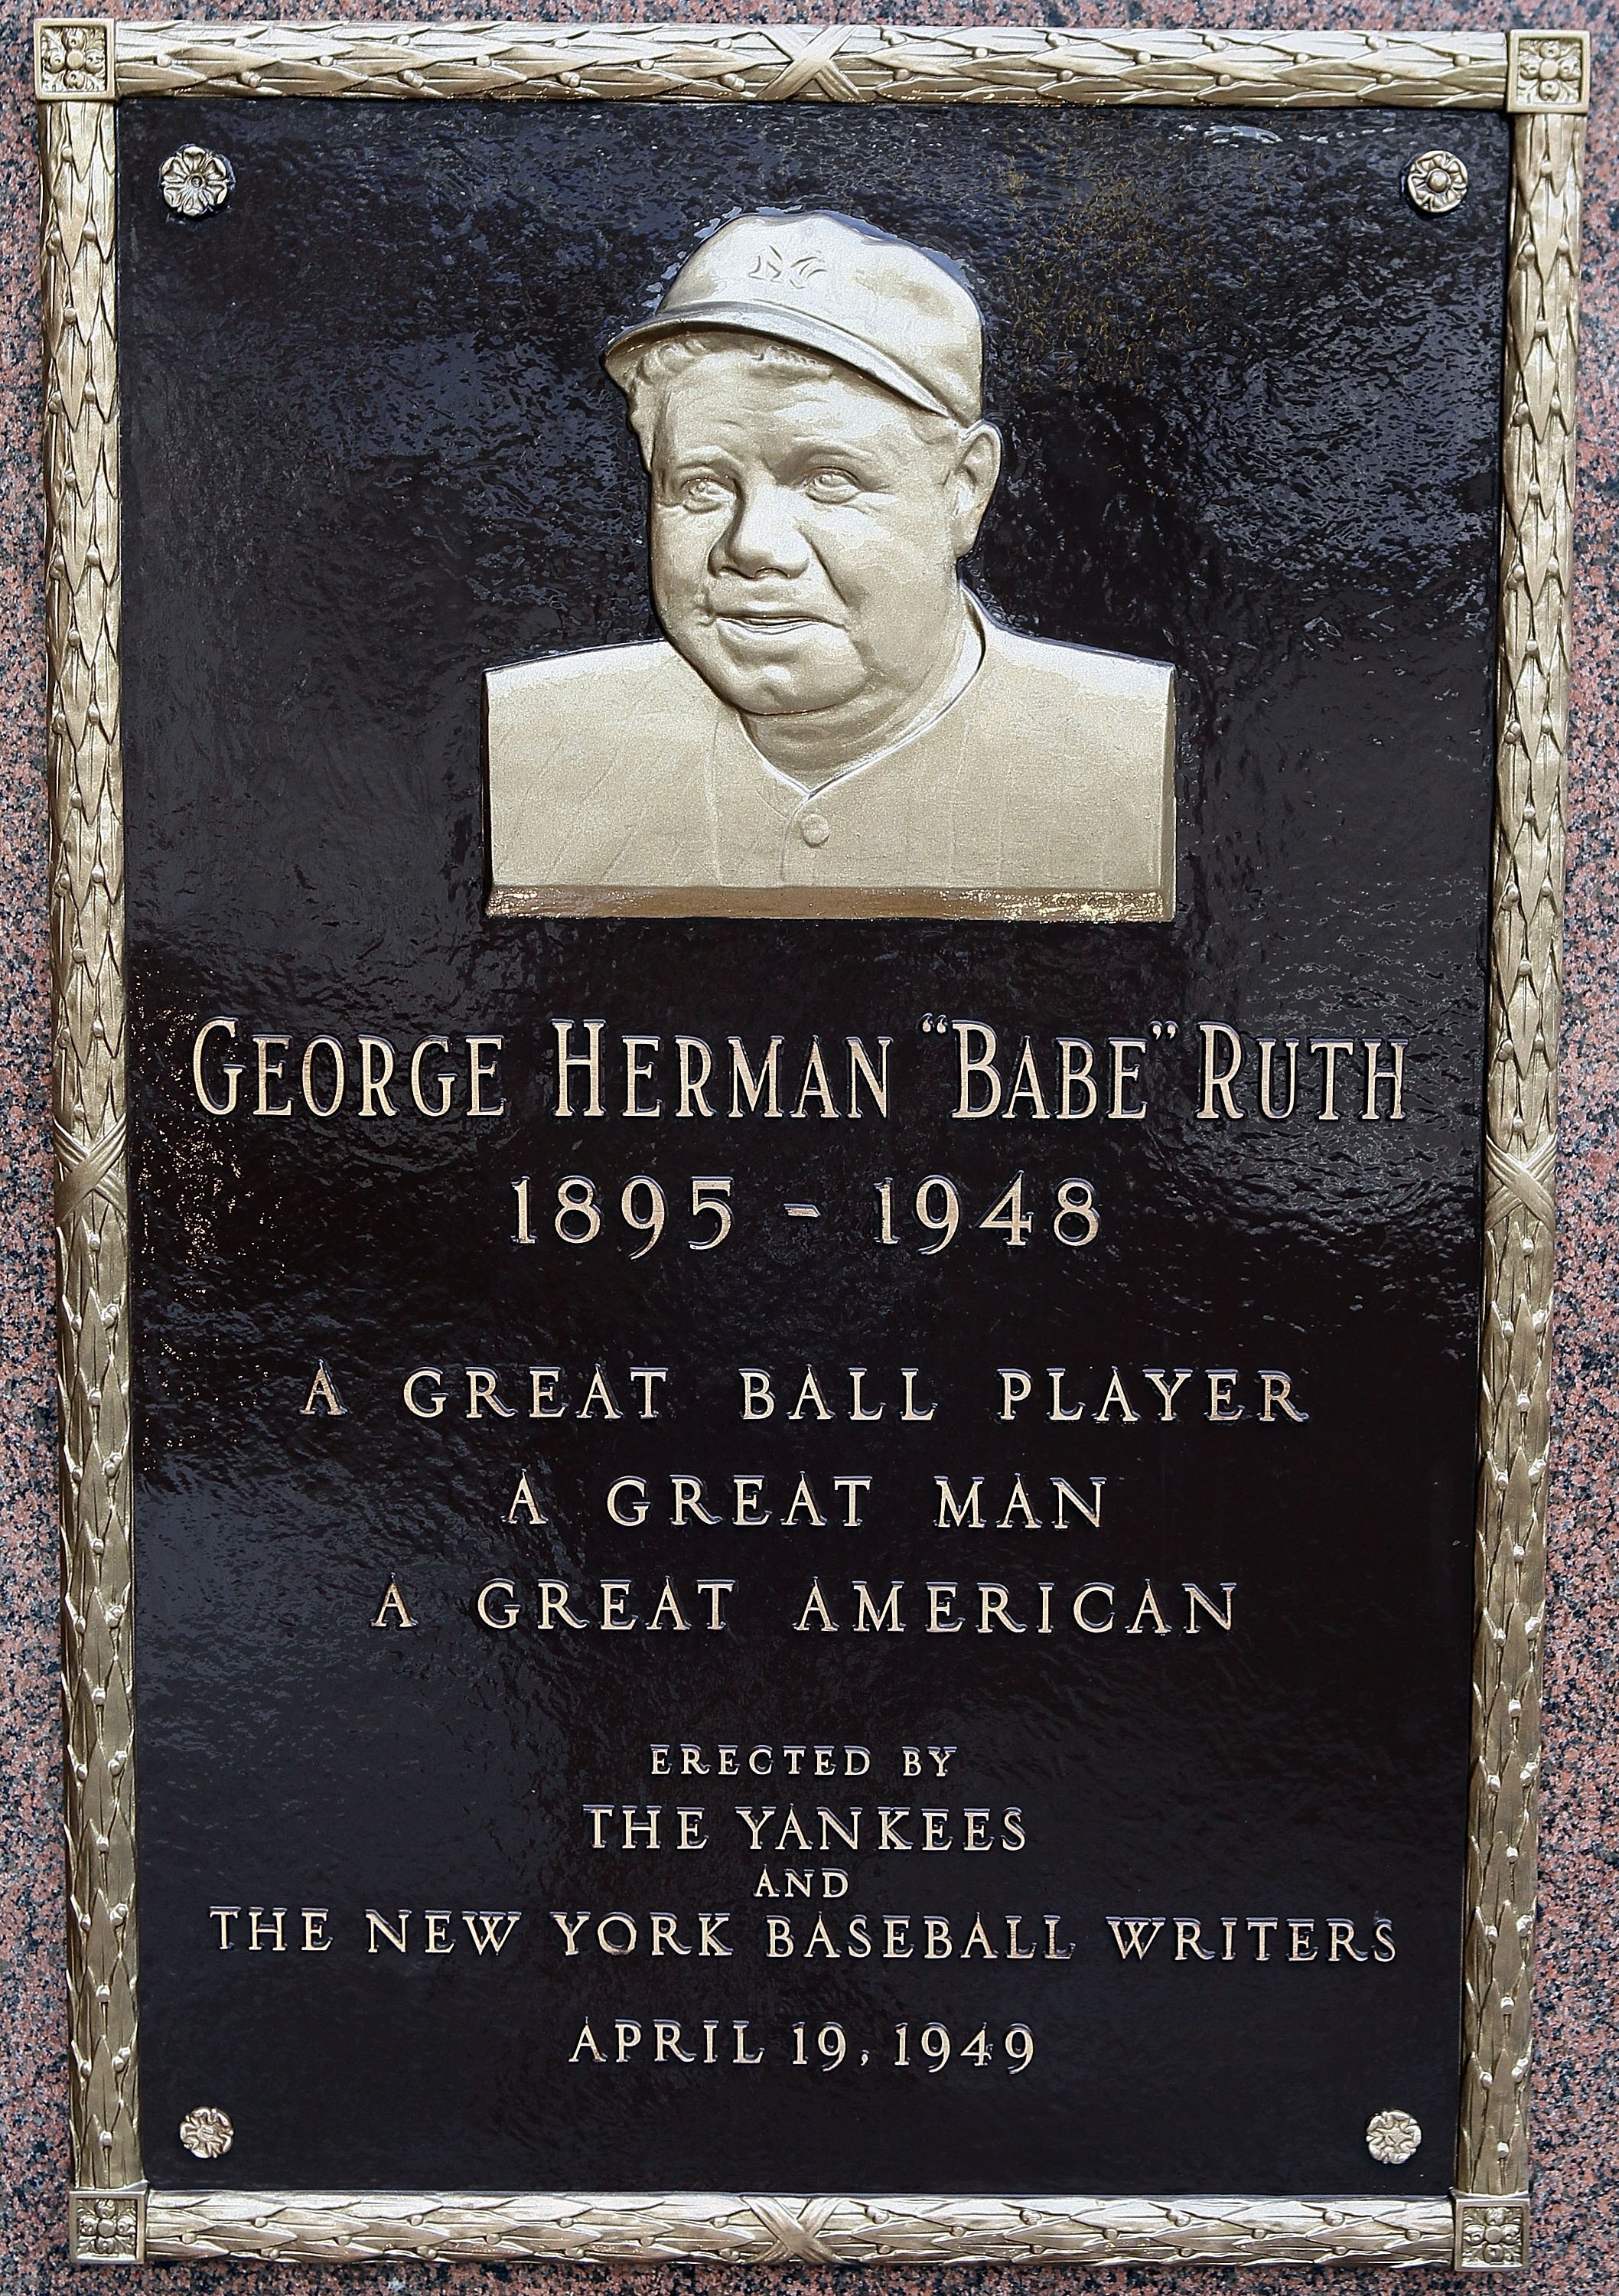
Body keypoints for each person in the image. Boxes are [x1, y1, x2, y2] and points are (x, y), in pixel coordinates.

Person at [485, 210, 1174, 919]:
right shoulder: (529, 747)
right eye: (701, 486)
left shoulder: (1127, 756)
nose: (751, 545)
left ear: (964, 490)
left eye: (829, 481)